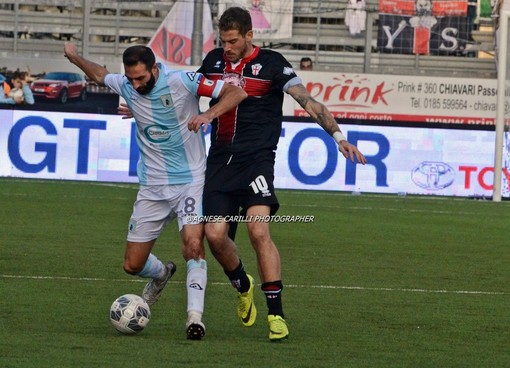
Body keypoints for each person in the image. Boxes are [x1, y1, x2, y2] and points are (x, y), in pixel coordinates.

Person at [187, 6, 367, 342]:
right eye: (223, 40)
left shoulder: (271, 63)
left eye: (233, 41)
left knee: (258, 231)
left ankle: (276, 315)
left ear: (250, 36)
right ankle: (243, 285)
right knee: (214, 235)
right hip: (220, 162)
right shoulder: (213, 60)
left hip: (256, 162)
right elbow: (186, 91)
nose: (226, 47)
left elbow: (307, 101)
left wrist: (339, 138)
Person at [63, 42, 247, 340]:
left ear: (155, 69)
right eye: (131, 79)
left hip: (190, 181)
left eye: (141, 78)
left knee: (193, 247)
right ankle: (162, 273)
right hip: (152, 187)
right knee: (132, 265)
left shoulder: (181, 81)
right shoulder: (127, 85)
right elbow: (100, 75)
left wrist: (208, 115)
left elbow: (236, 92)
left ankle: (194, 319)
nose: (135, 85)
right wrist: (74, 57)